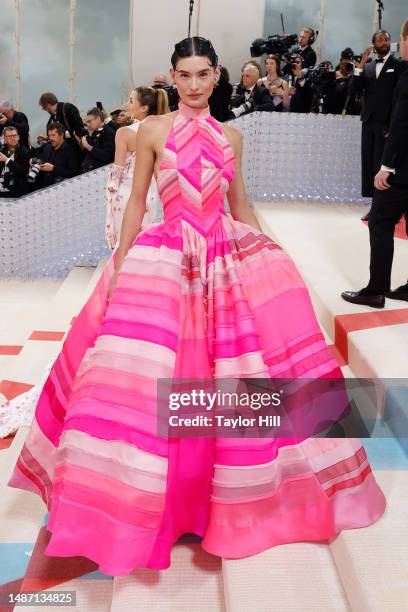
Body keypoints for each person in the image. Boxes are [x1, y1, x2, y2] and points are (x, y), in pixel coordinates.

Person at [7, 36, 385, 575]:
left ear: (216, 76)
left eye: (202, 73)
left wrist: (267, 259)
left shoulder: (232, 136)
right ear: (172, 77)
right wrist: (119, 264)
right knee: (155, 380)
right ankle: (159, 503)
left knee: (226, 375)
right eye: (183, 75)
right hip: (166, 261)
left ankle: (218, 501)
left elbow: (240, 203)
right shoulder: (151, 132)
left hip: (224, 259)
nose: (192, 84)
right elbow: (138, 201)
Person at [341, 20, 408, 308]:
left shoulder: (405, 72)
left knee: (380, 221)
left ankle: (376, 290)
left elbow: (402, 122)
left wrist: (387, 166)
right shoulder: (373, 67)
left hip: (401, 165)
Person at [350, 31, 406, 220]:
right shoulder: (367, 66)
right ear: (373, 44)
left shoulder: (399, 65)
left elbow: (400, 97)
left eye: (386, 39)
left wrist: (392, 124)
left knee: (381, 164)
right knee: (369, 164)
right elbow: (353, 91)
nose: (384, 42)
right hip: (368, 121)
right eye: (380, 40)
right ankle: (374, 204)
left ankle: (386, 207)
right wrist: (361, 63)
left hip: (387, 122)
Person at [105, 86, 168, 250]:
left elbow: (117, 169)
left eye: (131, 100)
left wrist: (111, 187)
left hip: (127, 194)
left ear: (144, 108)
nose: (127, 104)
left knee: (124, 246)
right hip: (152, 196)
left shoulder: (124, 133)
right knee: (146, 246)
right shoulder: (161, 131)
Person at [30, 122, 81, 188]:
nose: (51, 138)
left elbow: (74, 173)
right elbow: (40, 161)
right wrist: (33, 162)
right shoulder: (47, 148)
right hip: (42, 187)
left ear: (61, 135)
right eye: (49, 135)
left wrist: (53, 168)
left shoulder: (70, 151)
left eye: (53, 135)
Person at [79, 107, 115, 173]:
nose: (88, 124)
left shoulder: (110, 133)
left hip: (102, 172)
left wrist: (89, 147)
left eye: (89, 121)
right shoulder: (94, 132)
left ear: (98, 119)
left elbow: (107, 156)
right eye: (87, 122)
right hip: (89, 170)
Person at [0, 126, 30, 198]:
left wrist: (6, 160)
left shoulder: (25, 152)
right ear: (5, 139)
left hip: (17, 193)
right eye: (10, 136)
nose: (13, 138)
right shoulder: (2, 151)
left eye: (15, 135)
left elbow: (23, 171)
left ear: (18, 137)